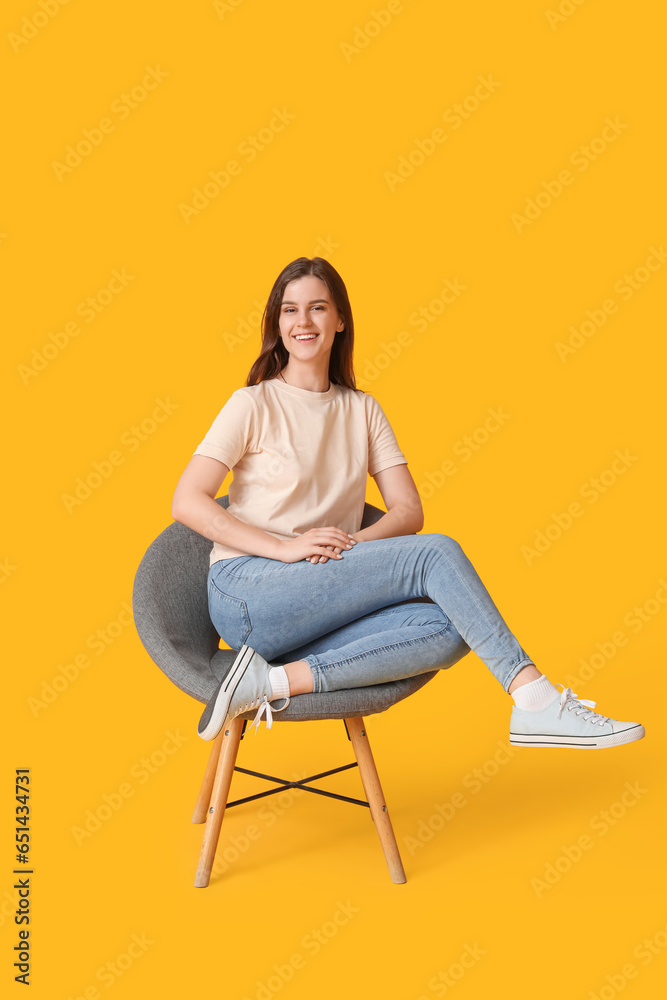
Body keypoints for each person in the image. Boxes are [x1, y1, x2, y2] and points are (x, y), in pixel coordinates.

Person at [172, 256, 645, 750]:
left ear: (340, 320)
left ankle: (267, 685)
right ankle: (533, 699)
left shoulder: (363, 410)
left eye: (317, 308)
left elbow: (406, 511)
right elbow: (187, 501)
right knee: (436, 554)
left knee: (451, 624)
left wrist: (348, 547)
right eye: (290, 311)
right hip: (249, 594)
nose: (303, 322)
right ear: (277, 323)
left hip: (317, 601)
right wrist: (283, 548)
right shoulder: (252, 404)